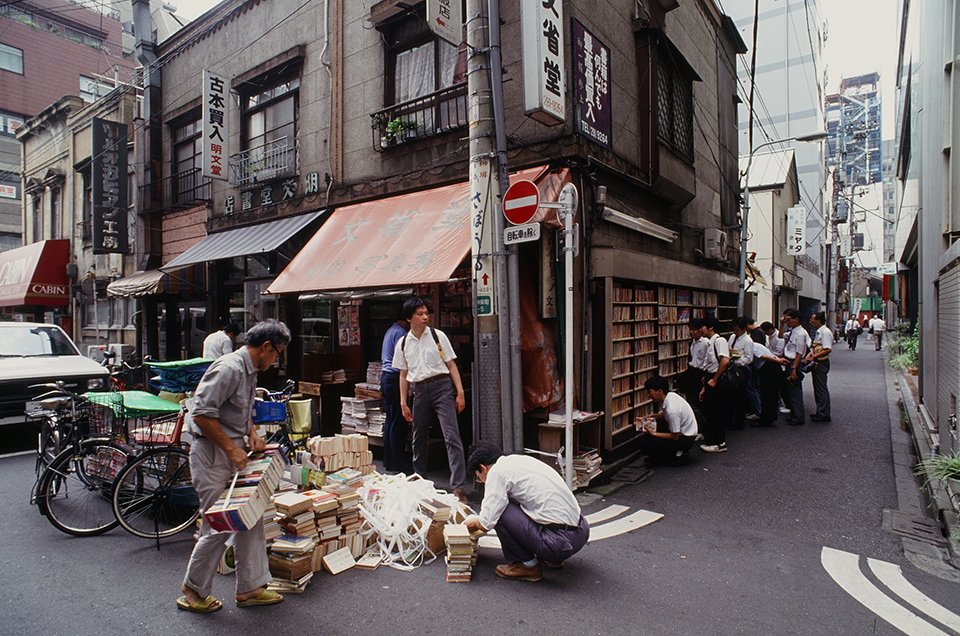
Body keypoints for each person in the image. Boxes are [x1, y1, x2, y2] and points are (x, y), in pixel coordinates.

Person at [178, 319, 290, 614]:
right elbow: (201, 413)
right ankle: (192, 590)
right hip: (213, 454)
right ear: (265, 347)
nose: (277, 359)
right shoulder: (228, 367)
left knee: (249, 518)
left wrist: (251, 433)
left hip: (233, 449)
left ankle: (251, 588)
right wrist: (230, 448)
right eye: (277, 353)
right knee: (218, 524)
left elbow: (241, 408)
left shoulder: (250, 370)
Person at [464, 441, 590, 582]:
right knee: (512, 503)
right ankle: (552, 559)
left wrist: (466, 523)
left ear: (483, 468)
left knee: (500, 510)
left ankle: (528, 566)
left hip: (558, 543)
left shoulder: (496, 473)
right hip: (581, 531)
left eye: (478, 477)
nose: (481, 481)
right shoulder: (519, 461)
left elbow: (486, 521)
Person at [394, 296, 468, 501]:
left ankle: (459, 487)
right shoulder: (402, 343)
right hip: (419, 390)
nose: (425, 317)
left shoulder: (437, 336)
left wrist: (459, 392)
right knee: (418, 437)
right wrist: (403, 402)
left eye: (426, 313)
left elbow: (452, 365)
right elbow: (402, 374)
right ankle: (420, 480)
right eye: (420, 314)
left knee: (451, 435)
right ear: (409, 318)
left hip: (442, 387)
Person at [636, 375, 698, 464]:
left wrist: (654, 434)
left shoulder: (672, 410)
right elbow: (664, 415)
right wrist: (654, 416)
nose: (649, 395)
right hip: (686, 432)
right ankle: (671, 453)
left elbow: (675, 436)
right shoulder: (671, 395)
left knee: (645, 446)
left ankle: (673, 456)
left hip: (685, 438)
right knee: (650, 428)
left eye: (650, 392)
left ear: (660, 391)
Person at [379, 311, 411, 473]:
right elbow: (404, 358)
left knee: (391, 420)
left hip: (386, 377)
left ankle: (389, 461)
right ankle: (398, 462)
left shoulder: (391, 330)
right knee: (398, 421)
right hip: (395, 377)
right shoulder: (401, 333)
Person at [699, 316, 732, 453]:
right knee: (709, 411)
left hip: (715, 379)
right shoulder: (710, 342)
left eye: (702, 327)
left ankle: (719, 443)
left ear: (710, 327)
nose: (700, 330)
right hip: (710, 378)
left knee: (715, 412)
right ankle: (713, 440)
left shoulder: (719, 341)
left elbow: (725, 361)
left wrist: (715, 379)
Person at [781, 308, 810, 426]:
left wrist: (793, 369)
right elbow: (780, 337)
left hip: (794, 363)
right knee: (790, 391)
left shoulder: (800, 333)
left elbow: (799, 352)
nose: (787, 322)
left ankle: (798, 417)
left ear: (796, 319)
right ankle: (795, 414)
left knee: (794, 391)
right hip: (790, 362)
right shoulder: (793, 331)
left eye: (788, 320)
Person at [727, 316, 755, 429]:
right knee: (731, 396)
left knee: (740, 396)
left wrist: (737, 360)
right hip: (731, 367)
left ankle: (739, 422)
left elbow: (749, 358)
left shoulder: (748, 341)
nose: (735, 332)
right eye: (734, 329)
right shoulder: (733, 337)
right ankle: (730, 419)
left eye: (737, 330)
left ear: (744, 329)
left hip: (741, 369)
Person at [749, 339, 784, 427]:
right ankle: (769, 418)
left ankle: (766, 420)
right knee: (770, 394)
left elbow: (763, 356)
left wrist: (779, 361)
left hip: (769, 368)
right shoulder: (754, 343)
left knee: (767, 395)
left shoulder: (751, 346)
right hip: (770, 367)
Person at [806, 311, 833, 422]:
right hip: (818, 362)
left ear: (819, 320)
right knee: (818, 387)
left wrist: (814, 356)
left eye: (813, 319)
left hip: (821, 363)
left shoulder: (825, 332)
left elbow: (827, 349)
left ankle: (823, 413)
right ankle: (821, 411)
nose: (811, 321)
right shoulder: (819, 332)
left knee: (821, 388)